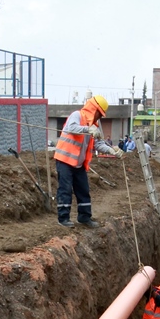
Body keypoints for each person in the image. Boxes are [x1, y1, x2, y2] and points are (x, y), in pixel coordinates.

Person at [53, 95, 122, 228]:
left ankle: (84, 217)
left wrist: (111, 151)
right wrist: (87, 129)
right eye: (99, 113)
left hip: (78, 163)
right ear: (93, 109)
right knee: (65, 189)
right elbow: (71, 128)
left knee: (83, 189)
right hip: (65, 160)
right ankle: (63, 218)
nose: (99, 117)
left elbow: (98, 144)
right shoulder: (77, 115)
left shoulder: (94, 127)